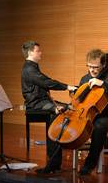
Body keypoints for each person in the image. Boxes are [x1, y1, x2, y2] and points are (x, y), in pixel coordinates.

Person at [21, 40, 77, 173]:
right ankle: (53, 162)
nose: (41, 53)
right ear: (30, 52)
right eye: (38, 51)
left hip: (41, 101)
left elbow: (45, 82)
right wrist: (67, 87)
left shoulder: (32, 66)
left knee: (68, 108)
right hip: (35, 104)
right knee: (57, 113)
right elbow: (47, 82)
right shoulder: (29, 68)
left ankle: (56, 160)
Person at [76, 48, 108, 175]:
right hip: (89, 115)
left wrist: (103, 84)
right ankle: (54, 163)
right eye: (89, 66)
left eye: (95, 67)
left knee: (98, 125)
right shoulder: (85, 78)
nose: (92, 70)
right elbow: (79, 101)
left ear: (103, 65)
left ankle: (90, 164)